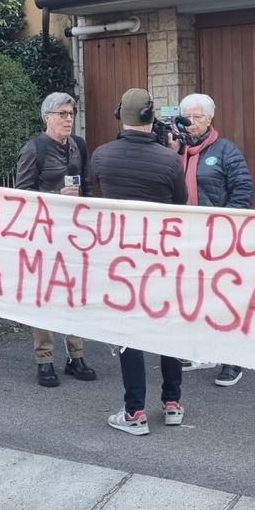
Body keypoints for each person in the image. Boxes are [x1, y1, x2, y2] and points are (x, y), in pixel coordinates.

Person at [92, 88, 188, 435]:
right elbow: (180, 207)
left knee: (128, 331)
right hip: (162, 257)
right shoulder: (169, 161)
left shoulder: (101, 156)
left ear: (122, 116)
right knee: (168, 327)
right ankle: (172, 402)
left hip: (121, 259)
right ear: (151, 119)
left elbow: (96, 197)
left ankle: (135, 412)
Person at [15, 92, 97, 387]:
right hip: (44, 236)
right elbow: (21, 196)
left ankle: (76, 355)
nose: (68, 119)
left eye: (71, 113)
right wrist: (55, 198)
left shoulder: (79, 146)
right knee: (46, 297)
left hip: (75, 235)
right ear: (46, 117)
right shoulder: (34, 149)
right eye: (62, 114)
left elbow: (86, 186)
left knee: (75, 296)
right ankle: (45, 360)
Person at [174, 93, 254, 387]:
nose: (190, 123)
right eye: (186, 117)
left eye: (196, 117)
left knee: (223, 299)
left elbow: (242, 191)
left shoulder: (225, 151)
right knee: (193, 296)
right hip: (185, 238)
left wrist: (224, 228)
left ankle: (232, 360)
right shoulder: (177, 150)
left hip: (218, 238)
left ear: (210, 119)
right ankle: (199, 351)